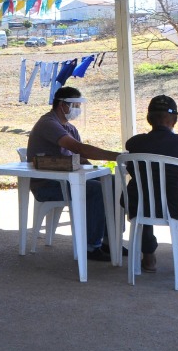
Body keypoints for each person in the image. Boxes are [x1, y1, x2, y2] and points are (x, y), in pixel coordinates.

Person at [25, 86, 124, 262]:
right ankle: (91, 246)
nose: (78, 110)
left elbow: (80, 157)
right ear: (63, 105)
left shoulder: (69, 128)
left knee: (114, 183)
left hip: (67, 182)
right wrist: (116, 156)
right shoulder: (49, 124)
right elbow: (79, 149)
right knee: (96, 190)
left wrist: (99, 173)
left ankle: (111, 240)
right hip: (48, 185)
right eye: (76, 106)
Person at [125, 94, 178, 275]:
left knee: (143, 196)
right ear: (175, 120)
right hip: (176, 207)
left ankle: (149, 257)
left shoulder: (135, 143)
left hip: (141, 206)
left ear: (149, 119)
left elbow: (131, 169)